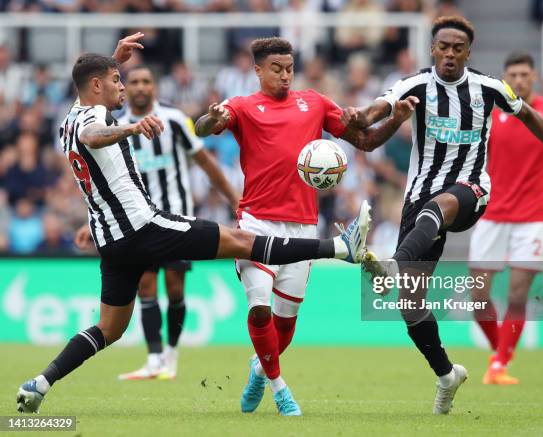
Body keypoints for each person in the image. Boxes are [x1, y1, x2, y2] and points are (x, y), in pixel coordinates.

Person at [15, 33, 372, 415]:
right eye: (117, 80)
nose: (123, 85)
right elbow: (94, 134)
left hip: (112, 241)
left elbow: (87, 106)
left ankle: (40, 383)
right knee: (242, 241)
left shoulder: (68, 116)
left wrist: (113, 61)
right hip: (144, 226)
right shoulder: (91, 119)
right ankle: (339, 248)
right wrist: (132, 129)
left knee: (109, 329)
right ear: (97, 86)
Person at [342, 16, 543, 415]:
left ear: (468, 53)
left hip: (470, 191)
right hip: (417, 200)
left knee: (444, 203)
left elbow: (532, 116)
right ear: (432, 49)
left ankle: (394, 262)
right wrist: (357, 115)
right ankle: (446, 375)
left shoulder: (489, 87)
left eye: (458, 48)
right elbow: (372, 113)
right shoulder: (414, 84)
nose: (450, 54)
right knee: (410, 302)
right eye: (443, 46)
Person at [196, 37, 412, 416]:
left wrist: (395, 117)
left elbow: (364, 140)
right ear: (258, 70)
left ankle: (259, 370)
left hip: (302, 227)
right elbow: (201, 128)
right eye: (276, 69)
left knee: (284, 328)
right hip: (255, 224)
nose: (284, 75)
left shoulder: (313, 103)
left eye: (289, 68)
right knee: (259, 306)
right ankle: (280, 389)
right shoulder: (243, 107)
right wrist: (212, 118)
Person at [111, 65, 237, 380]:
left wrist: (235, 200)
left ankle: (171, 354)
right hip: (139, 221)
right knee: (146, 285)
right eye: (135, 82)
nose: (140, 87)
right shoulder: (119, 126)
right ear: (127, 88)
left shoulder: (176, 120)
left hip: (176, 216)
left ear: (154, 87)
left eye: (146, 81)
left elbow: (205, 163)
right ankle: (154, 359)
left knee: (175, 286)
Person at [468, 52, 543, 385]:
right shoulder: (491, 113)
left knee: (517, 296)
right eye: (513, 75)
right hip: (492, 214)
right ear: (505, 79)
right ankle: (501, 352)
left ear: (534, 76)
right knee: (479, 298)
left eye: (524, 74)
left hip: (533, 218)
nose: (518, 80)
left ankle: (499, 365)